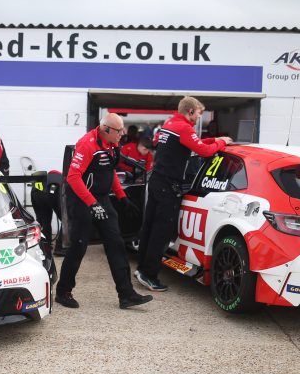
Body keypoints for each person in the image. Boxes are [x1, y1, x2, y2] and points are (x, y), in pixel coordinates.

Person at [55, 113, 153, 310]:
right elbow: (73, 177)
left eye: (122, 129)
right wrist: (92, 204)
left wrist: (122, 197)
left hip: (101, 199)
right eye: (119, 131)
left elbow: (110, 172)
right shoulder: (87, 144)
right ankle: (63, 291)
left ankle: (126, 294)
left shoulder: (113, 144)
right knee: (79, 245)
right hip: (81, 198)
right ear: (105, 129)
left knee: (116, 243)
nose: (122, 134)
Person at [136, 97, 233, 292]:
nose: (199, 117)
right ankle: (149, 275)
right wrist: (221, 143)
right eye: (198, 113)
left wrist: (214, 140)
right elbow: (204, 152)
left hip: (157, 181)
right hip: (168, 186)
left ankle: (141, 269)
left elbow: (192, 143)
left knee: (148, 227)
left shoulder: (171, 123)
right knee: (161, 232)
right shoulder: (184, 128)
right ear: (190, 111)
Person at [30, 170, 63, 257]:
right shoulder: (60, 179)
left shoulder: (47, 178)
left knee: (41, 220)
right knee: (65, 220)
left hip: (35, 193)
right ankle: (59, 247)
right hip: (50, 193)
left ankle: (41, 244)